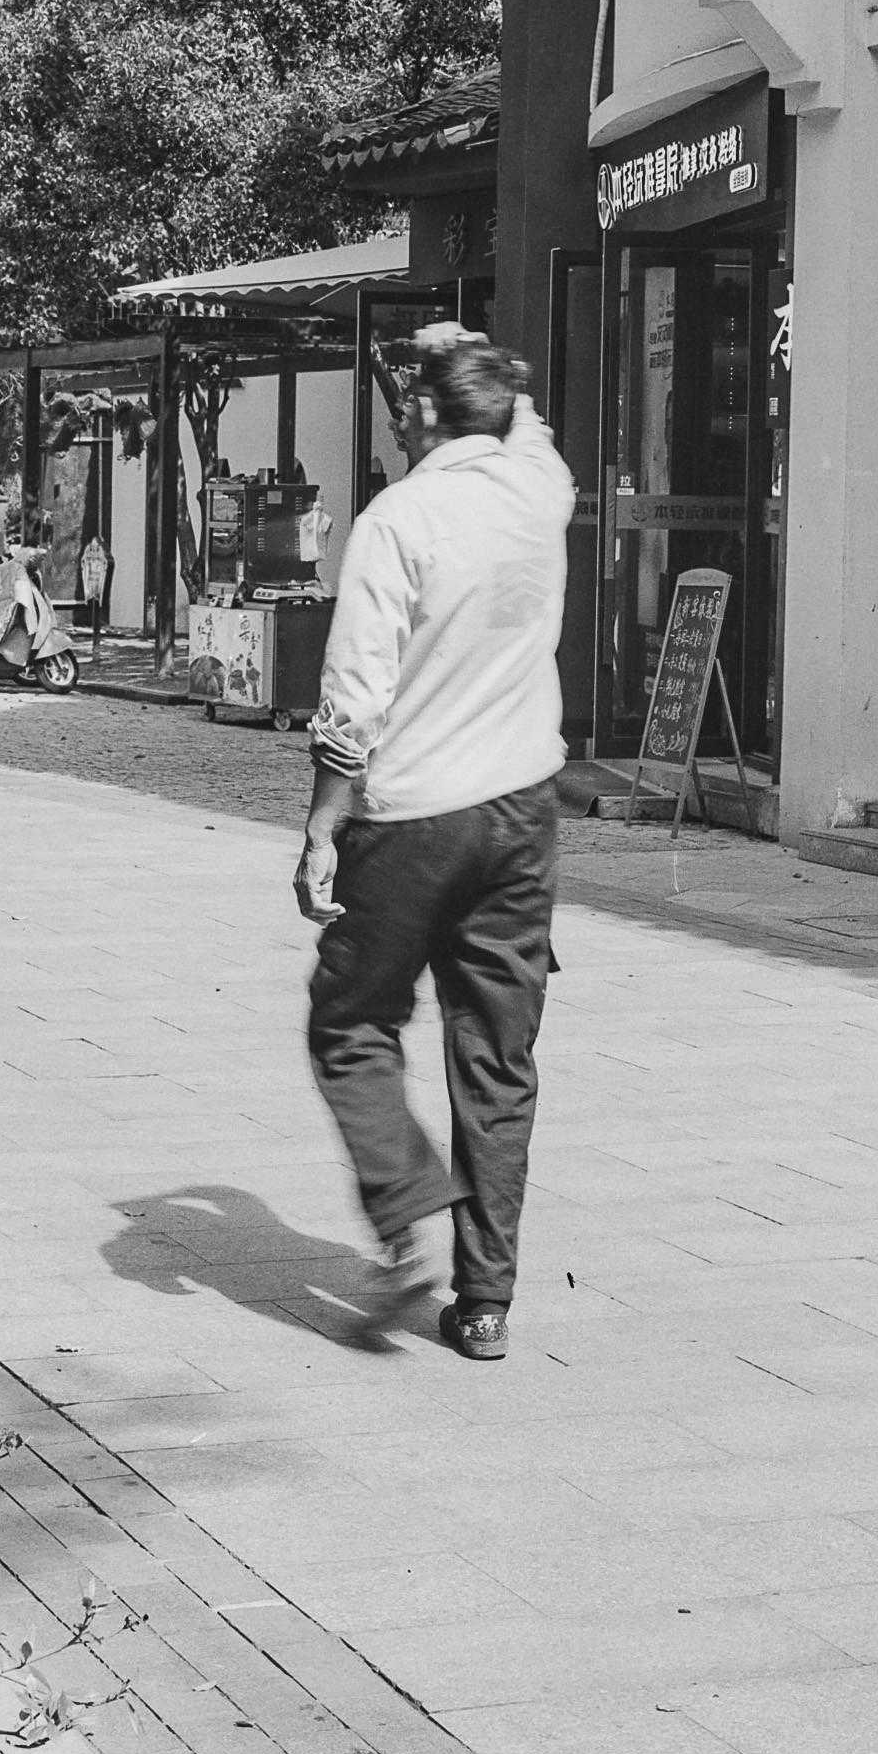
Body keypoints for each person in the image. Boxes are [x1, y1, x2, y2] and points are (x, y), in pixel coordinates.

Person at [291, 321, 571, 1363]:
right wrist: (481, 352)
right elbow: (527, 424)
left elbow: (354, 692)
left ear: (421, 413)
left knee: (350, 1020)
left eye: (408, 397)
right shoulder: (539, 488)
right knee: (496, 1052)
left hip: (412, 814)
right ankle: (484, 1299)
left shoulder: (398, 517)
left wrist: (322, 821)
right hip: (523, 810)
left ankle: (407, 1201)